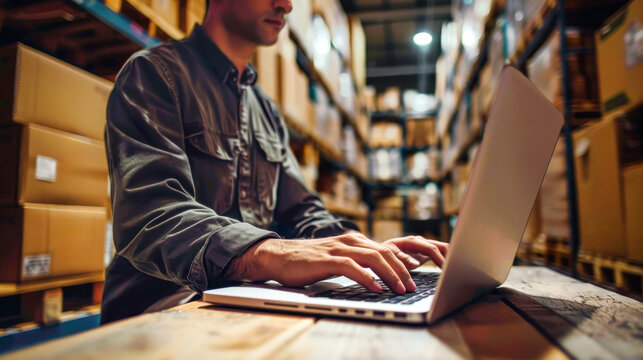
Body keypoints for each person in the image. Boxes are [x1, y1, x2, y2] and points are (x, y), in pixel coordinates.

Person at [101, 0, 449, 324]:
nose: (286, 4)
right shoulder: (154, 75)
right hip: (160, 311)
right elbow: (151, 215)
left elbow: (300, 211)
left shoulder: (264, 110)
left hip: (242, 303)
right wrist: (265, 253)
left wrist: (360, 248)